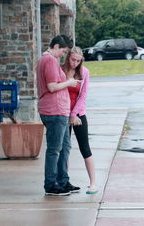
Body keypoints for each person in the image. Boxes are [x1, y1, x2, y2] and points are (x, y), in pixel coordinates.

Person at [37, 35, 81, 196]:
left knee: (65, 147)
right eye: (63, 50)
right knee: (54, 150)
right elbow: (52, 87)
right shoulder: (48, 60)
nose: (63, 54)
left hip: (59, 111)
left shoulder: (49, 60)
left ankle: (63, 181)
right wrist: (69, 82)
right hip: (54, 111)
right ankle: (51, 185)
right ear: (56, 46)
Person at [62, 47, 98, 194]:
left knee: (85, 148)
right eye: (73, 60)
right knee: (64, 149)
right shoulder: (60, 71)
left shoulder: (84, 72)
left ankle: (93, 183)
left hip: (78, 114)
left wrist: (74, 114)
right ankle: (65, 181)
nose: (75, 63)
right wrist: (68, 115)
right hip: (62, 114)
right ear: (68, 57)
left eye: (78, 60)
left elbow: (83, 96)